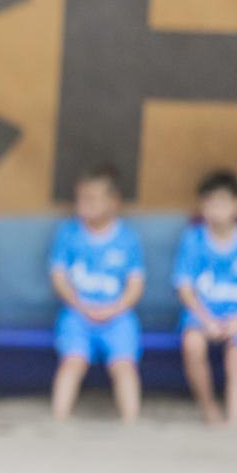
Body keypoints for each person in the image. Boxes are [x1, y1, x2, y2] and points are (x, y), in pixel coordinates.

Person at [48, 165, 145, 423]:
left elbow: (135, 285)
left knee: (123, 365)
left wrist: (115, 308)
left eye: (91, 198)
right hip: (77, 313)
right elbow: (59, 277)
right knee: (73, 361)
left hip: (118, 315)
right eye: (80, 198)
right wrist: (80, 306)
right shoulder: (68, 233)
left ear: (113, 202)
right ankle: (58, 419)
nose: (84, 205)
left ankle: (131, 422)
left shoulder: (128, 238)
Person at [175, 170, 237, 427]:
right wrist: (206, 320)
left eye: (222, 202)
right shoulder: (193, 239)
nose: (216, 209)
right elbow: (184, 288)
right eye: (209, 202)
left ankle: (234, 420)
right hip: (201, 315)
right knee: (193, 344)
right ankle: (210, 410)